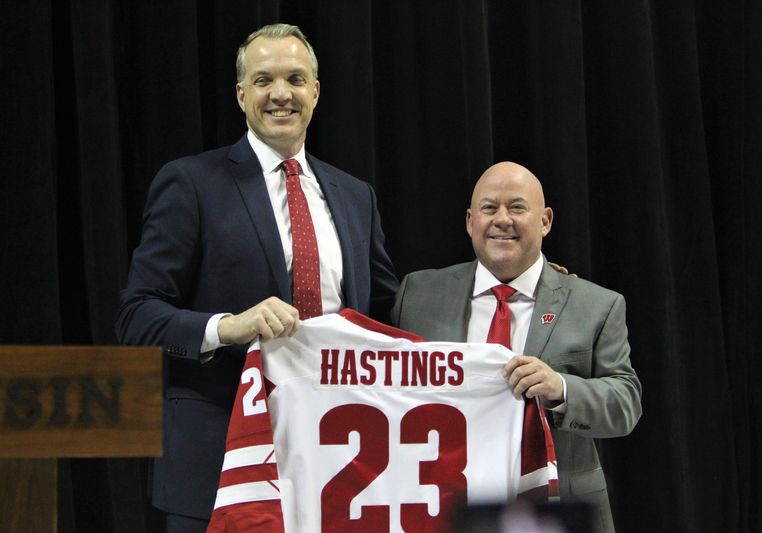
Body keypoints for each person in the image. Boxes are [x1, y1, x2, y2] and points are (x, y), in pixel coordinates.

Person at [115, 23, 398, 532]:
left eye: (294, 78)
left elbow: (388, 309)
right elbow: (137, 315)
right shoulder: (192, 183)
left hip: (335, 464)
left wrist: (517, 284)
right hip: (222, 466)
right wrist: (229, 326)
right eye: (264, 80)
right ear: (242, 95)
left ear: (315, 90)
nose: (281, 94)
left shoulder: (356, 196)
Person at [391, 161, 642, 533]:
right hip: (445, 505)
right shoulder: (418, 295)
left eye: (518, 207)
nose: (502, 219)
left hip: (555, 509)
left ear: (545, 220)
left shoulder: (597, 305)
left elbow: (625, 403)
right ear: (470, 221)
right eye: (489, 208)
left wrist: (561, 388)